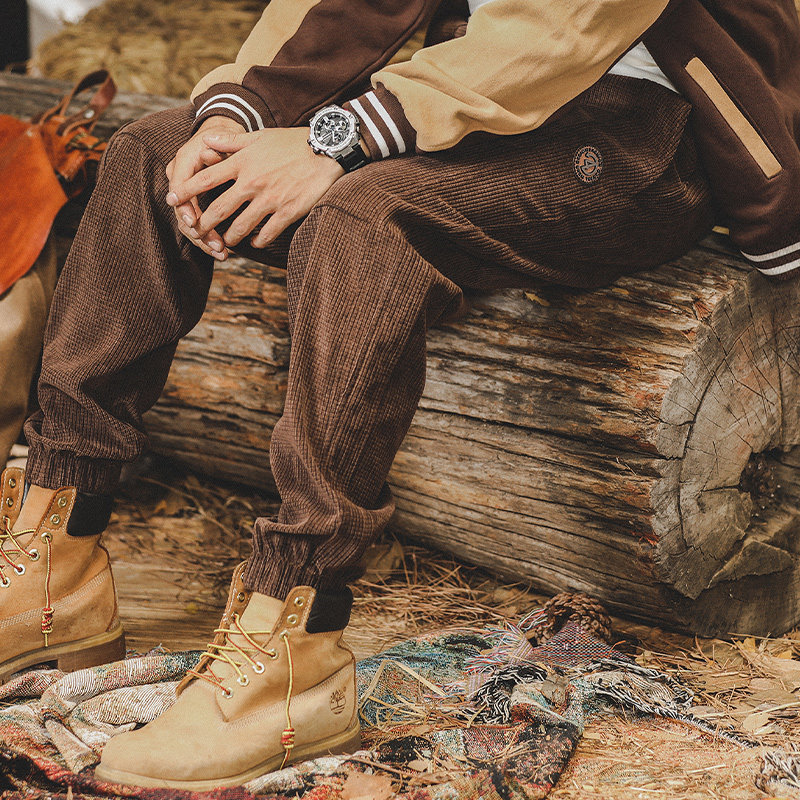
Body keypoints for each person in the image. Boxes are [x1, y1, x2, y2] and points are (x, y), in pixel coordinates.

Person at [1, 0, 798, 789]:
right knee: (153, 151)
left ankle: (295, 644)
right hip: (469, 92)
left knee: (364, 216)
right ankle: (56, 553)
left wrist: (337, 139)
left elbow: (560, 28)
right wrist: (237, 112)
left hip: (640, 128)